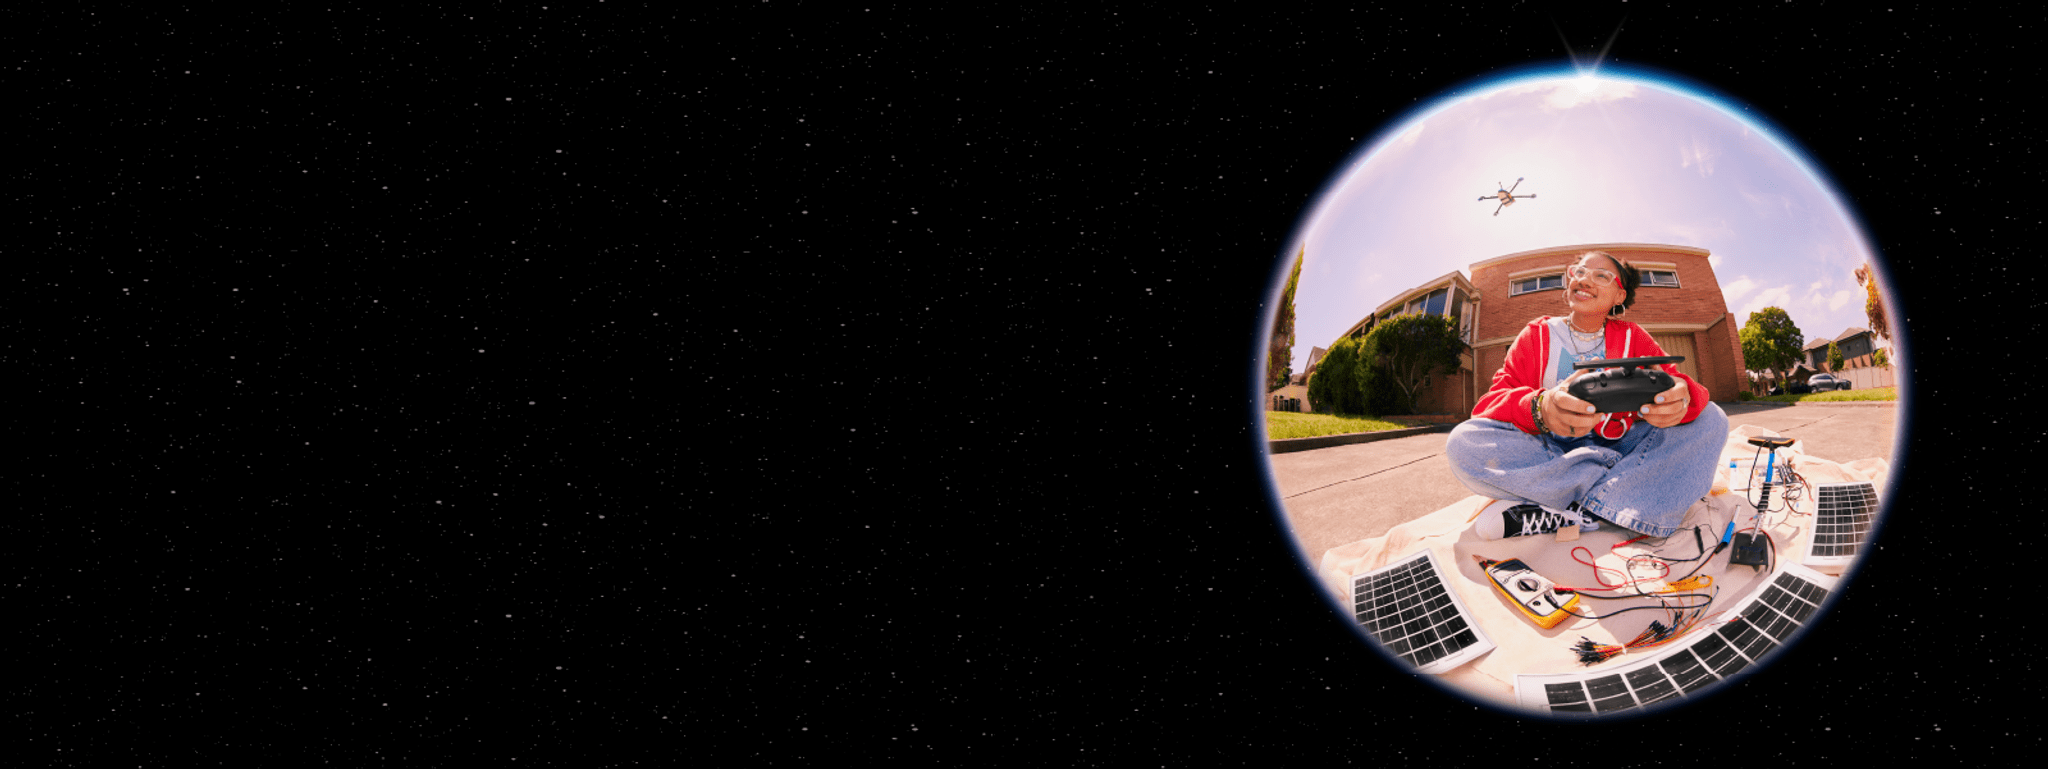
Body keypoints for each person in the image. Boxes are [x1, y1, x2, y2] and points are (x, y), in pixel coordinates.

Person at [1446, 250, 1728, 540]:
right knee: (1464, 443)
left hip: (1623, 447)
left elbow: (1677, 383)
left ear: (1620, 295)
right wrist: (1539, 408)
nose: (1584, 281)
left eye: (1601, 276)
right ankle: (1617, 499)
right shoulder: (1536, 335)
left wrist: (1681, 400)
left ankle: (1573, 507)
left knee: (1711, 418)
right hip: (1551, 452)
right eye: (1579, 272)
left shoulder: (1635, 337)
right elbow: (1489, 405)